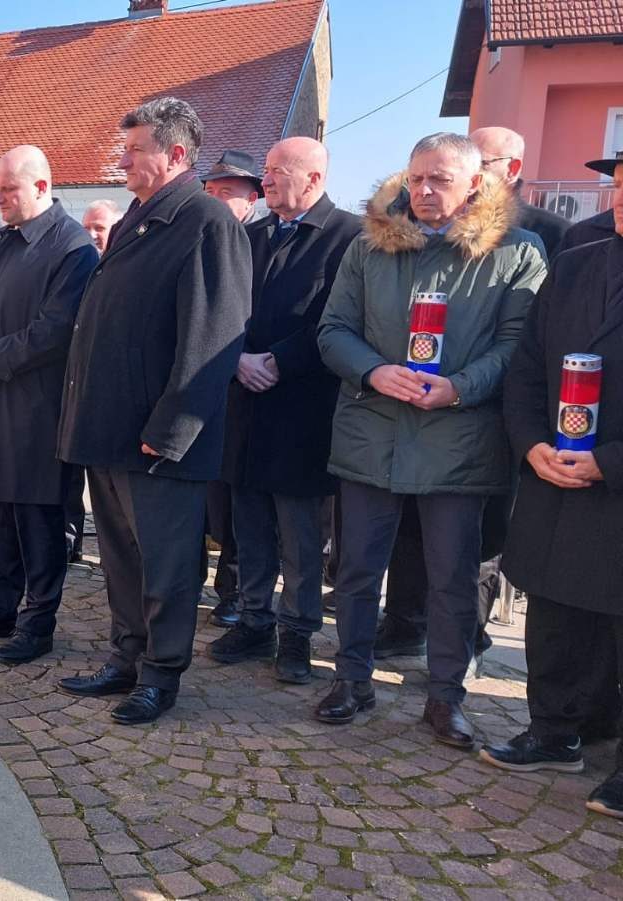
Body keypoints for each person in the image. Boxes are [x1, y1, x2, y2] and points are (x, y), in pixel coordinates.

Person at [314, 133, 546, 748]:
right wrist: (373, 370)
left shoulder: (516, 251)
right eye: (416, 178)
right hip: (373, 431)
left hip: (459, 439)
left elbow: (520, 346)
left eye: (440, 180)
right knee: (357, 571)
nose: (423, 190)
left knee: (452, 578)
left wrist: (460, 388)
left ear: (475, 185)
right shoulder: (369, 245)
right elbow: (333, 329)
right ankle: (351, 680)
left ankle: (446, 698)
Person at [55, 98, 250, 725]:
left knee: (166, 565)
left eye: (135, 149)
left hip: (158, 439)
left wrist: (172, 429)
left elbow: (213, 337)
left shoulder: (206, 222)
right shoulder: (139, 218)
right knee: (121, 559)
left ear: (176, 154)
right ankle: (127, 657)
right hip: (111, 430)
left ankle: (161, 675)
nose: (123, 160)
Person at [482, 173, 623, 813]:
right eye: (620, 185)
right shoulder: (575, 264)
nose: (621, 200)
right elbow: (526, 369)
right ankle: (552, 730)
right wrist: (531, 442)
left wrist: (609, 462)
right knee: (556, 613)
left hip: (613, 482)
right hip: (554, 475)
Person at [210, 137, 361, 683]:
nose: (266, 180)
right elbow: (222, 308)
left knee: (300, 536)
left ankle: (297, 632)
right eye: (267, 170)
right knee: (247, 524)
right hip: (245, 405)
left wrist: (278, 360)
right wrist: (237, 359)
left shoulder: (350, 237)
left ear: (314, 179)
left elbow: (341, 318)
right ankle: (255, 620)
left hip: (303, 411)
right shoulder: (249, 236)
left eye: (278, 171)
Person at [0, 145, 98, 666]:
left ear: (41, 186)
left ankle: (38, 624)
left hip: (39, 412)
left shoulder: (72, 248)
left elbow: (54, 332)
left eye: (8, 189)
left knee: (38, 523)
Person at [196, 149, 265, 624]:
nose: (216, 201)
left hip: (247, 387)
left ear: (251, 199)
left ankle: (234, 590)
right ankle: (188, 579)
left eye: (227, 193)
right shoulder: (193, 239)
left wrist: (240, 358)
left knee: (236, 498)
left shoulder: (258, 242)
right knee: (204, 499)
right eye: (211, 192)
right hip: (198, 388)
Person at [470, 126, 570, 257]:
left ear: (512, 169)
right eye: (462, 163)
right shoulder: (447, 221)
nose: (467, 171)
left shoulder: (556, 232)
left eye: (479, 163)